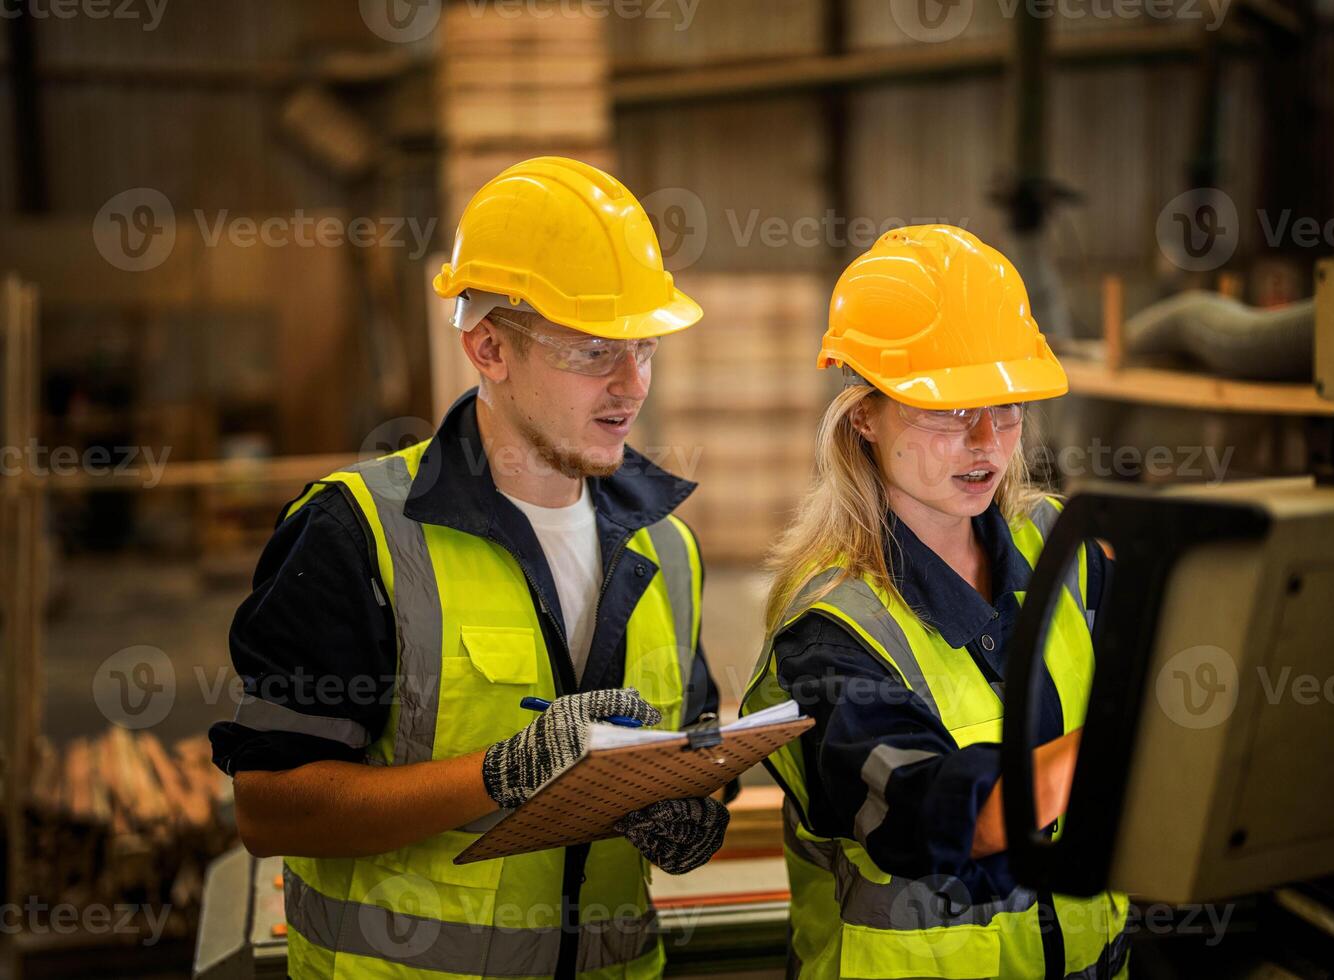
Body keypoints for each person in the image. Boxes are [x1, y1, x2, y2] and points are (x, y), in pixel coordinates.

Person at [210, 156, 730, 979]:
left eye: (644, 348)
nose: (633, 386)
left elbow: (694, 749)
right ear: (488, 347)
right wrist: (501, 773)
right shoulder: (358, 532)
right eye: (594, 350)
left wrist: (691, 805)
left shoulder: (668, 547)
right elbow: (272, 809)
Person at [743, 225, 1129, 979]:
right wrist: (1140, 740)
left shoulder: (1061, 547)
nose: (987, 439)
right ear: (864, 414)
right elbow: (945, 818)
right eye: (950, 410)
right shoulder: (832, 630)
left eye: (1007, 406)